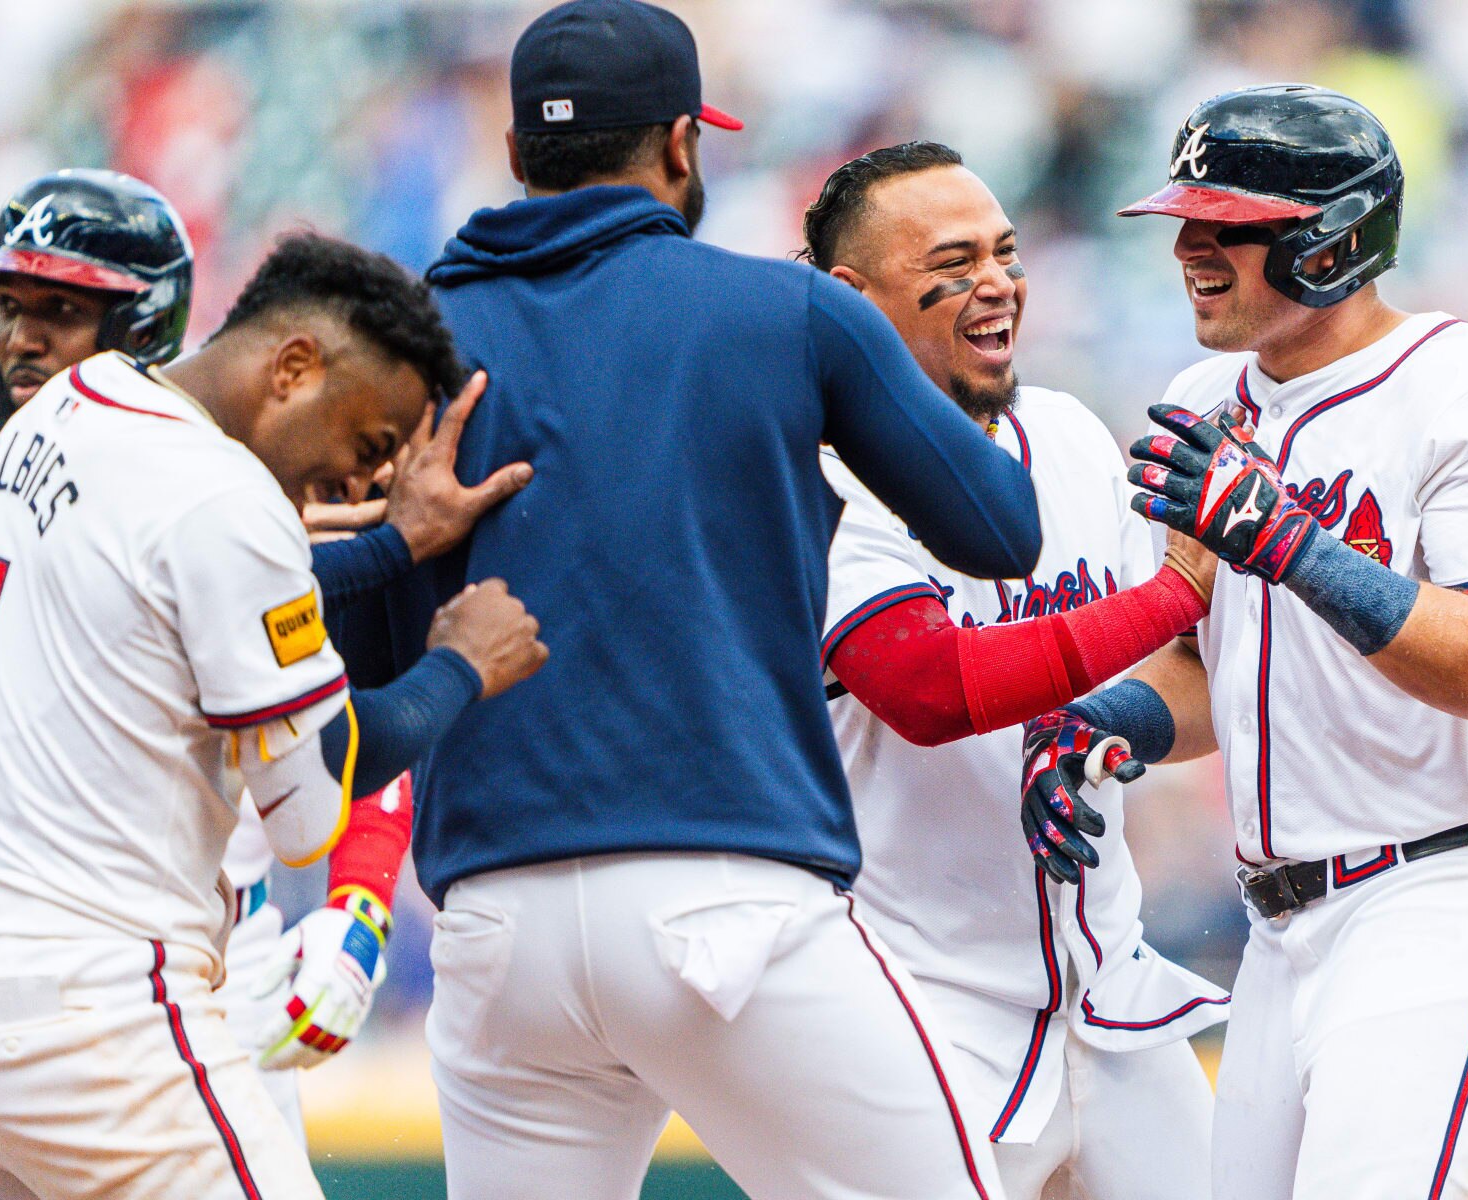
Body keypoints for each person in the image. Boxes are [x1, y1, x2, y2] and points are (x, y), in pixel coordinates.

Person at [352, 2, 1040, 1197]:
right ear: (682, 143)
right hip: (726, 901)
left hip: (494, 927)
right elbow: (1001, 531)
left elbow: (358, 670)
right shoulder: (788, 311)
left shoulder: (405, 340)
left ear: (516, 156)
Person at [1025, 84, 1468, 1199]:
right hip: (1284, 934)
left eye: (1231, 225)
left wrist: (1295, 545)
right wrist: (1098, 727)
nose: (1193, 249)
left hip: (1452, 892)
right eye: (1186, 221)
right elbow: (1224, 678)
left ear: (1331, 238)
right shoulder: (1203, 399)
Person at [0, 230, 547, 1200]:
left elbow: (157, 583)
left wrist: (389, 545)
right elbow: (309, 807)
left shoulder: (66, 409)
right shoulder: (228, 498)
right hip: (89, 1012)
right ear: (294, 367)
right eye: (369, 442)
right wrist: (462, 664)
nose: (357, 481)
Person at [803, 141, 1227, 1200]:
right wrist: (1170, 594)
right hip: (915, 1007)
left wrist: (1109, 721)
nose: (996, 282)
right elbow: (931, 690)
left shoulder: (1072, 437)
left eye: (1005, 252)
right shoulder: (813, 479)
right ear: (850, 302)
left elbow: (1198, 680)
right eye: (951, 262)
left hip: (1109, 993)